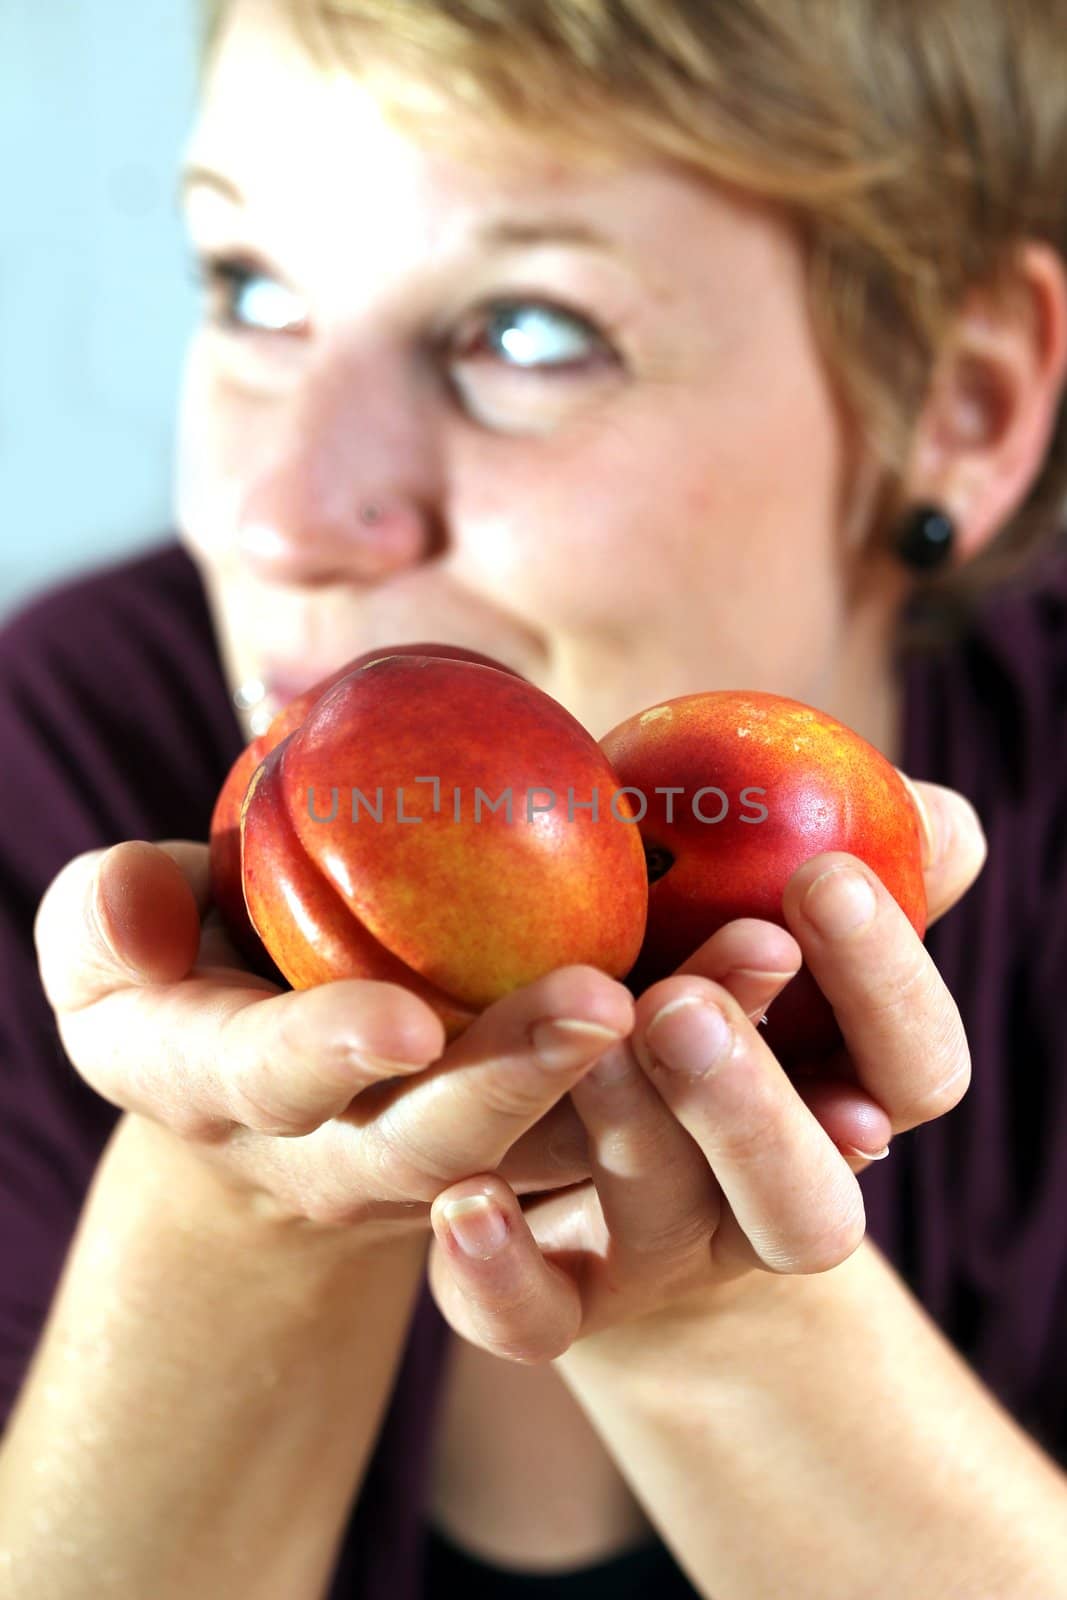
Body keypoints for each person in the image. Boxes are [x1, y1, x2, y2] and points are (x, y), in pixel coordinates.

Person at [1, 0, 1066, 1594]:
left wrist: (722, 1305)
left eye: (526, 335)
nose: (278, 512)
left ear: (958, 409)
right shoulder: (50, 767)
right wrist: (238, 1210)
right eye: (250, 291)